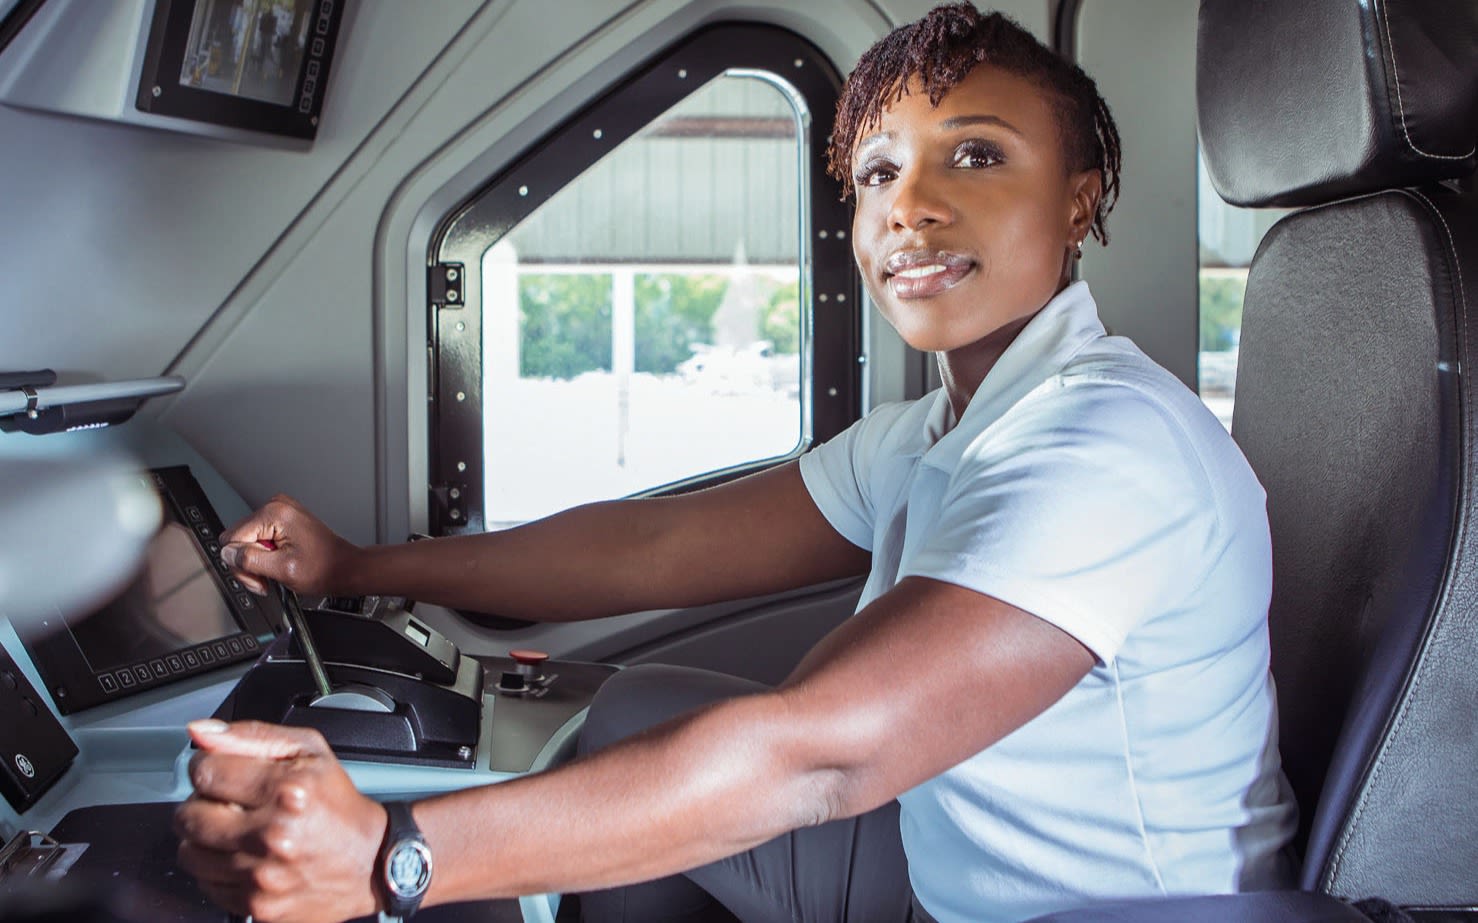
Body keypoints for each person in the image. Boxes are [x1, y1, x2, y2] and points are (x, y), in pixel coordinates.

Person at [173, 6, 1297, 923]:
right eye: (873, 173)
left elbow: (820, 758)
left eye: (975, 154)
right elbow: (646, 546)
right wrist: (362, 563)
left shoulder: (1103, 444)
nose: (908, 206)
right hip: (943, 863)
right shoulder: (939, 431)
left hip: (1104, 914)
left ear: (1078, 195)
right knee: (631, 714)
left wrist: (391, 856)